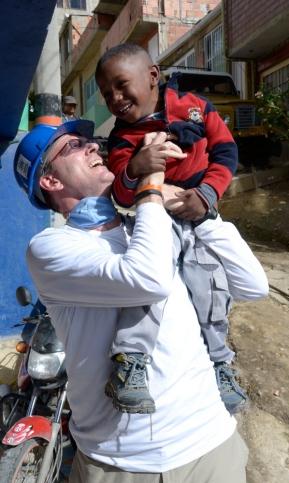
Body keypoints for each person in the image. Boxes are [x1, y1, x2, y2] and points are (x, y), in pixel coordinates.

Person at [14, 119, 249, 483]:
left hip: (211, 444)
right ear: (51, 181)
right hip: (121, 463)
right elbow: (148, 278)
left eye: (88, 140)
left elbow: (251, 286)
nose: (92, 146)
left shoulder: (149, 226)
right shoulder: (50, 247)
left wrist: (204, 215)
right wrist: (151, 183)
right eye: (72, 146)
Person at [94, 43, 269, 413]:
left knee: (211, 285)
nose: (115, 98)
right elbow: (122, 192)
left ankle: (220, 363)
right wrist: (137, 166)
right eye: (107, 93)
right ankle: (131, 361)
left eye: (122, 85)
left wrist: (206, 195)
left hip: (198, 215)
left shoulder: (195, 108)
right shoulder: (123, 139)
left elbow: (225, 153)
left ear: (153, 76)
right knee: (151, 280)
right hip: (154, 217)